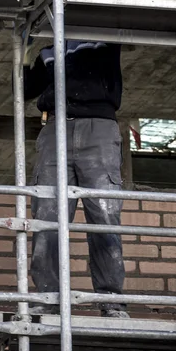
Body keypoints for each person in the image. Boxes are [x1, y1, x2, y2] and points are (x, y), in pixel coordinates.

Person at [24, 39, 128, 318]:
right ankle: (49, 297)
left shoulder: (100, 34)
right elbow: (23, 90)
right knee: (47, 217)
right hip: (55, 127)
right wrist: (23, 51)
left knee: (104, 217)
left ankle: (112, 301)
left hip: (99, 128)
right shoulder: (48, 51)